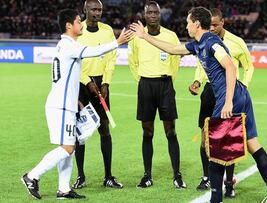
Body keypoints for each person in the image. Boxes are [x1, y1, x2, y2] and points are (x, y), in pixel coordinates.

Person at [130, 6, 267, 203]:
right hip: (240, 95)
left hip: (230, 97)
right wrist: (145, 37)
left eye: (187, 22)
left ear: (196, 23)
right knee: (253, 144)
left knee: (215, 150)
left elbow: (229, 66)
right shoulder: (197, 44)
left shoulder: (211, 42)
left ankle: (215, 199)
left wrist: (227, 101)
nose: (186, 26)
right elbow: (173, 49)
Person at [20, 9, 132, 200]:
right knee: (68, 148)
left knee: (68, 147)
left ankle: (63, 189)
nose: (81, 24)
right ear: (68, 26)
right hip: (61, 106)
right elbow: (92, 52)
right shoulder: (68, 45)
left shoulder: (65, 46)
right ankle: (31, 176)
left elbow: (65, 79)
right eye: (78, 21)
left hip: (66, 104)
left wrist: (77, 101)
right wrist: (117, 42)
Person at [188, 8, 254, 198]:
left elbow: (248, 67)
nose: (213, 28)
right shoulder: (204, 41)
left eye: (216, 25)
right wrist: (197, 81)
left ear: (223, 23)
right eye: (211, 25)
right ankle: (207, 176)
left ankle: (229, 183)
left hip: (229, 92)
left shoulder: (236, 42)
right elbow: (203, 64)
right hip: (210, 91)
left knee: (228, 141)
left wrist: (244, 86)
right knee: (204, 137)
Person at [127, 1, 186, 189]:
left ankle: (177, 175)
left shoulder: (170, 36)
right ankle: (147, 175)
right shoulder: (137, 37)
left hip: (165, 84)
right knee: (147, 132)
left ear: (160, 15)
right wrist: (142, 81)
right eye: (150, 12)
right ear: (145, 15)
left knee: (171, 131)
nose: (153, 15)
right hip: (146, 85)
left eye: (156, 13)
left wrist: (169, 78)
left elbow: (176, 59)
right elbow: (132, 62)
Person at [72, 0, 123, 189]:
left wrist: (106, 82)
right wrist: (87, 82)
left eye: (99, 9)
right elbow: (76, 60)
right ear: (85, 10)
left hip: (102, 84)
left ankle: (108, 176)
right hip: (82, 85)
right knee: (81, 132)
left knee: (104, 128)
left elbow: (111, 58)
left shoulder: (108, 30)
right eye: (93, 9)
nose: (97, 12)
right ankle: (80, 176)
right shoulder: (79, 30)